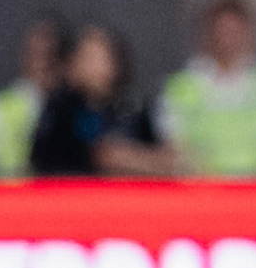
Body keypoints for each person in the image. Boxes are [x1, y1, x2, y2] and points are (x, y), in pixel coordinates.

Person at [157, 0, 256, 177]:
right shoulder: (181, 87)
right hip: (202, 192)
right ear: (206, 34)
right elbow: (173, 145)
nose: (227, 39)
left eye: (235, 31)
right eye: (220, 30)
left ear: (249, 33)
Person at [29, 25, 172, 176]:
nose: (96, 66)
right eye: (88, 57)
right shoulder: (60, 110)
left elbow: (162, 158)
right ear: (72, 63)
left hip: (128, 193)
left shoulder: (133, 108)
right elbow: (46, 161)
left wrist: (128, 158)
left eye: (101, 56)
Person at [0, 16, 64, 179]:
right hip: (3, 196)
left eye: (49, 55)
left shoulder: (70, 109)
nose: (40, 64)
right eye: (34, 54)